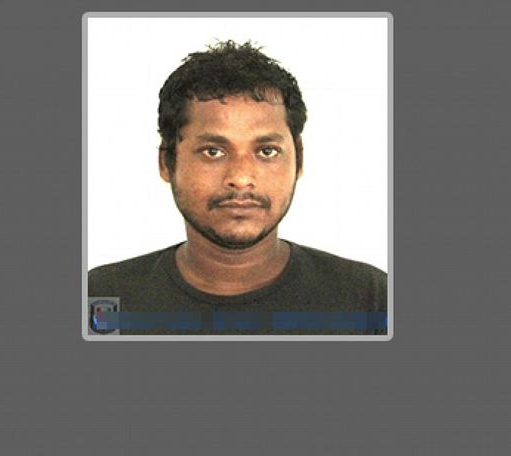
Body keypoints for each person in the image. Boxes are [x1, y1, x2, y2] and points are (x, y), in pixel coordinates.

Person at [88, 40, 387, 335]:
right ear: (167, 161)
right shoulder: (101, 299)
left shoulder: (369, 301)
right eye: (213, 152)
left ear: (299, 160)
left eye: (267, 151)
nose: (241, 177)